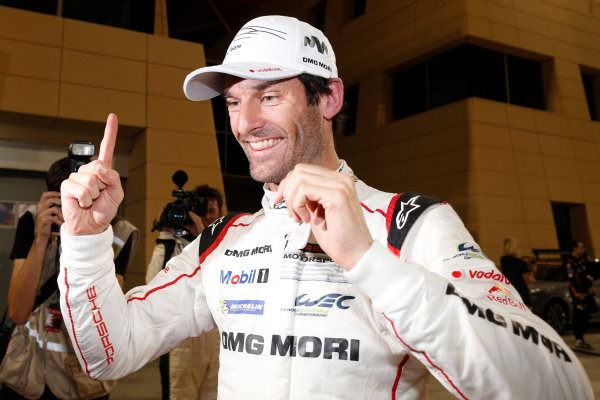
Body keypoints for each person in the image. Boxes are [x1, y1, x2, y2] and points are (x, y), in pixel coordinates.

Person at [57, 15, 593, 399]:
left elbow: (560, 385)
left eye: (269, 95)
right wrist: (84, 243)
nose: (243, 124)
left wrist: (370, 263)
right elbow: (110, 353)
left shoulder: (411, 225)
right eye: (234, 101)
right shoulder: (224, 240)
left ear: (329, 99)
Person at [0, 157, 139, 399]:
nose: (71, 212)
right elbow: (18, 313)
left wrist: (85, 240)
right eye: (66, 202)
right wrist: (42, 237)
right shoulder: (33, 222)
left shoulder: (118, 233)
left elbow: (107, 319)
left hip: (82, 382)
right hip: (26, 372)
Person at [146, 185, 223, 400]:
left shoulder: (228, 245)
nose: (207, 217)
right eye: (202, 211)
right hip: (183, 341)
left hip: (219, 342)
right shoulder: (175, 246)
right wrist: (165, 234)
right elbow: (152, 283)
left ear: (220, 214)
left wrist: (203, 237)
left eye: (212, 211)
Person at [564, 240, 597, 350]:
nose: (583, 249)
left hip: (585, 292)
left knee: (591, 310)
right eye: (580, 247)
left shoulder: (581, 261)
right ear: (574, 248)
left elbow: (584, 276)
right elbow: (571, 278)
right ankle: (579, 339)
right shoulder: (569, 261)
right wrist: (577, 293)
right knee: (579, 315)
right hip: (578, 294)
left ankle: (581, 338)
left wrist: (590, 286)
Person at [500, 237, 536, 308]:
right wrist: (532, 272)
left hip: (510, 294)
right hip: (521, 295)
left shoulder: (503, 261)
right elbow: (527, 280)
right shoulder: (521, 263)